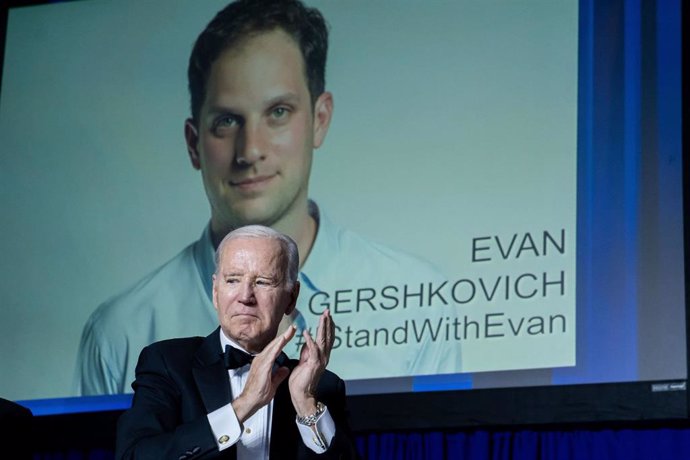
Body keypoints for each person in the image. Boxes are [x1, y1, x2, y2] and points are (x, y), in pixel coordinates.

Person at [75, 0, 461, 396]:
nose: (250, 150)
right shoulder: (119, 332)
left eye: (277, 111)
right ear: (194, 143)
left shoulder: (421, 301)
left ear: (319, 119)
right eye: (226, 121)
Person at [116, 225, 358, 459]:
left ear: (291, 297)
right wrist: (243, 405)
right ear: (215, 291)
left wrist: (305, 402)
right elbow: (135, 456)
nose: (245, 297)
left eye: (262, 281)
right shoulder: (167, 362)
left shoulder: (322, 387)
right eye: (232, 280)